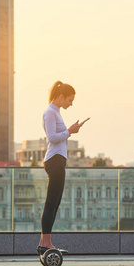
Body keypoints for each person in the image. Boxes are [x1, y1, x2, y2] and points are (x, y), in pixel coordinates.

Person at [37, 81, 88, 254]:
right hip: (54, 160)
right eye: (70, 100)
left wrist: (69, 130)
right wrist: (70, 131)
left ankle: (45, 242)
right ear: (61, 97)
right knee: (51, 203)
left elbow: (59, 136)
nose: (71, 104)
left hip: (59, 160)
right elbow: (52, 138)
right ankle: (46, 243)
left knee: (55, 202)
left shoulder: (56, 113)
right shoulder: (50, 113)